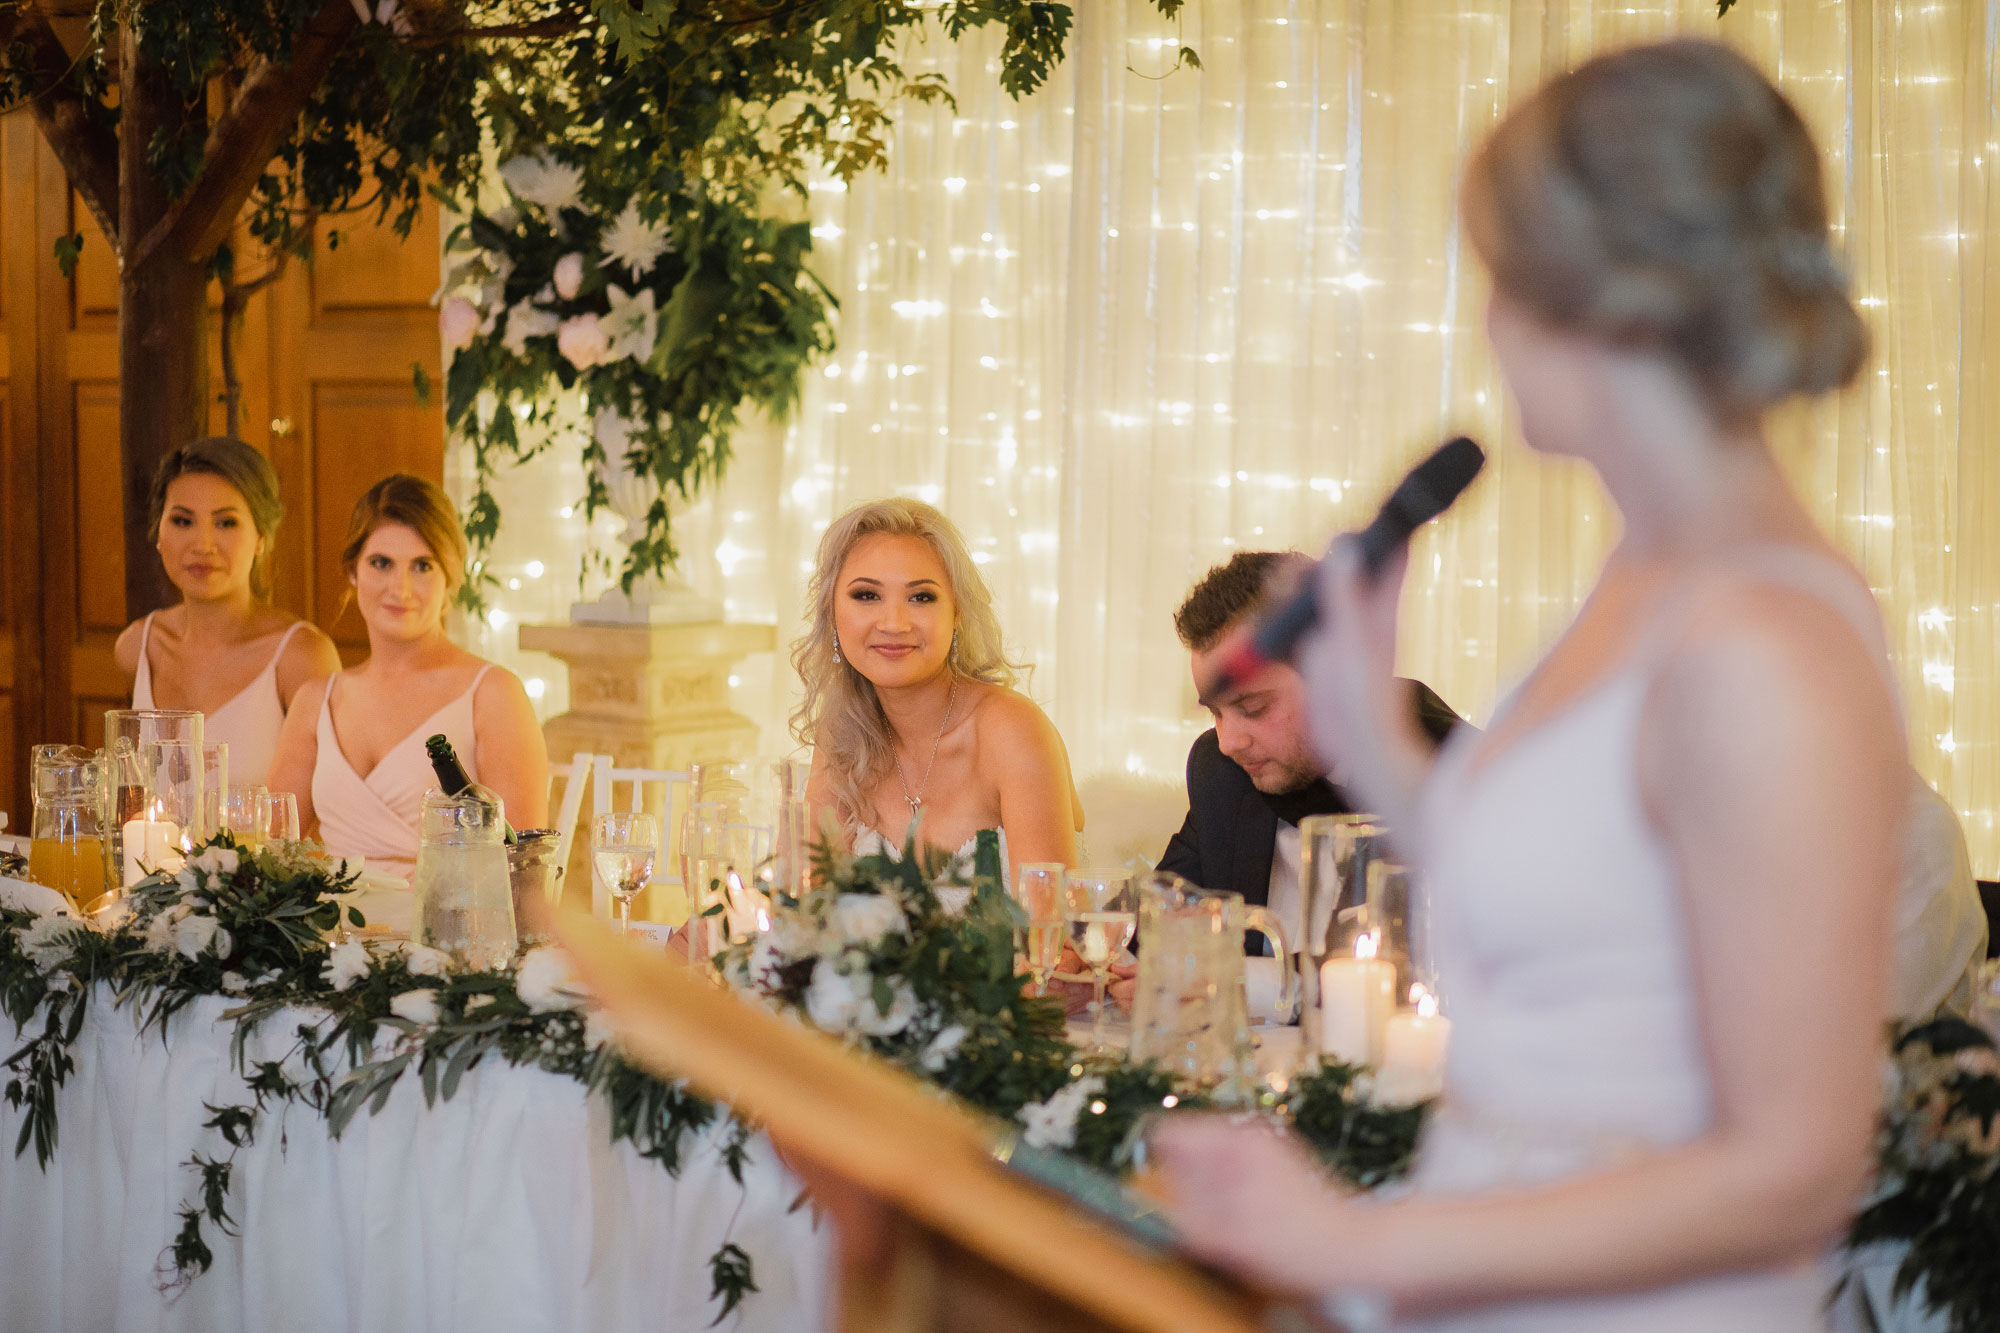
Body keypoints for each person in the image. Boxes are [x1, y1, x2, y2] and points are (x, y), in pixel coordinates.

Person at [1153, 40, 1904, 1331]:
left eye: (1504, 278)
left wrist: (1343, 1237)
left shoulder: (1770, 640)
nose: (1491, 326)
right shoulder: (1641, 573)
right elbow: (1557, 917)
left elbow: (1795, 1166)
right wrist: (1367, 719)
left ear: (1610, 296)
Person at [268, 475, 548, 884]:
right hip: (334, 936)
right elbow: (271, 850)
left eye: (422, 566)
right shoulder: (317, 701)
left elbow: (521, 871)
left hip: (449, 936)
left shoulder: (492, 694)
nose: (400, 589)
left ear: (450, 576)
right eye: (381, 563)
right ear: (353, 571)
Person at [793, 497, 1082, 885]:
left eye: (921, 597)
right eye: (866, 595)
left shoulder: (1011, 730)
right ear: (831, 611)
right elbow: (804, 911)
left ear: (957, 612)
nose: (893, 623)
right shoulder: (843, 736)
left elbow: (1055, 936)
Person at [1159, 550, 1461, 919]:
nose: (1229, 742)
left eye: (1253, 708)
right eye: (1215, 712)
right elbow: (1158, 915)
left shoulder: (1448, 770)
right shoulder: (1219, 771)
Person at [114, 438, 341, 786]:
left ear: (261, 537)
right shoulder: (136, 649)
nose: (202, 545)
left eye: (226, 523)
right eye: (182, 521)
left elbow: (330, 812)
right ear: (158, 533)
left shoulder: (301, 657)